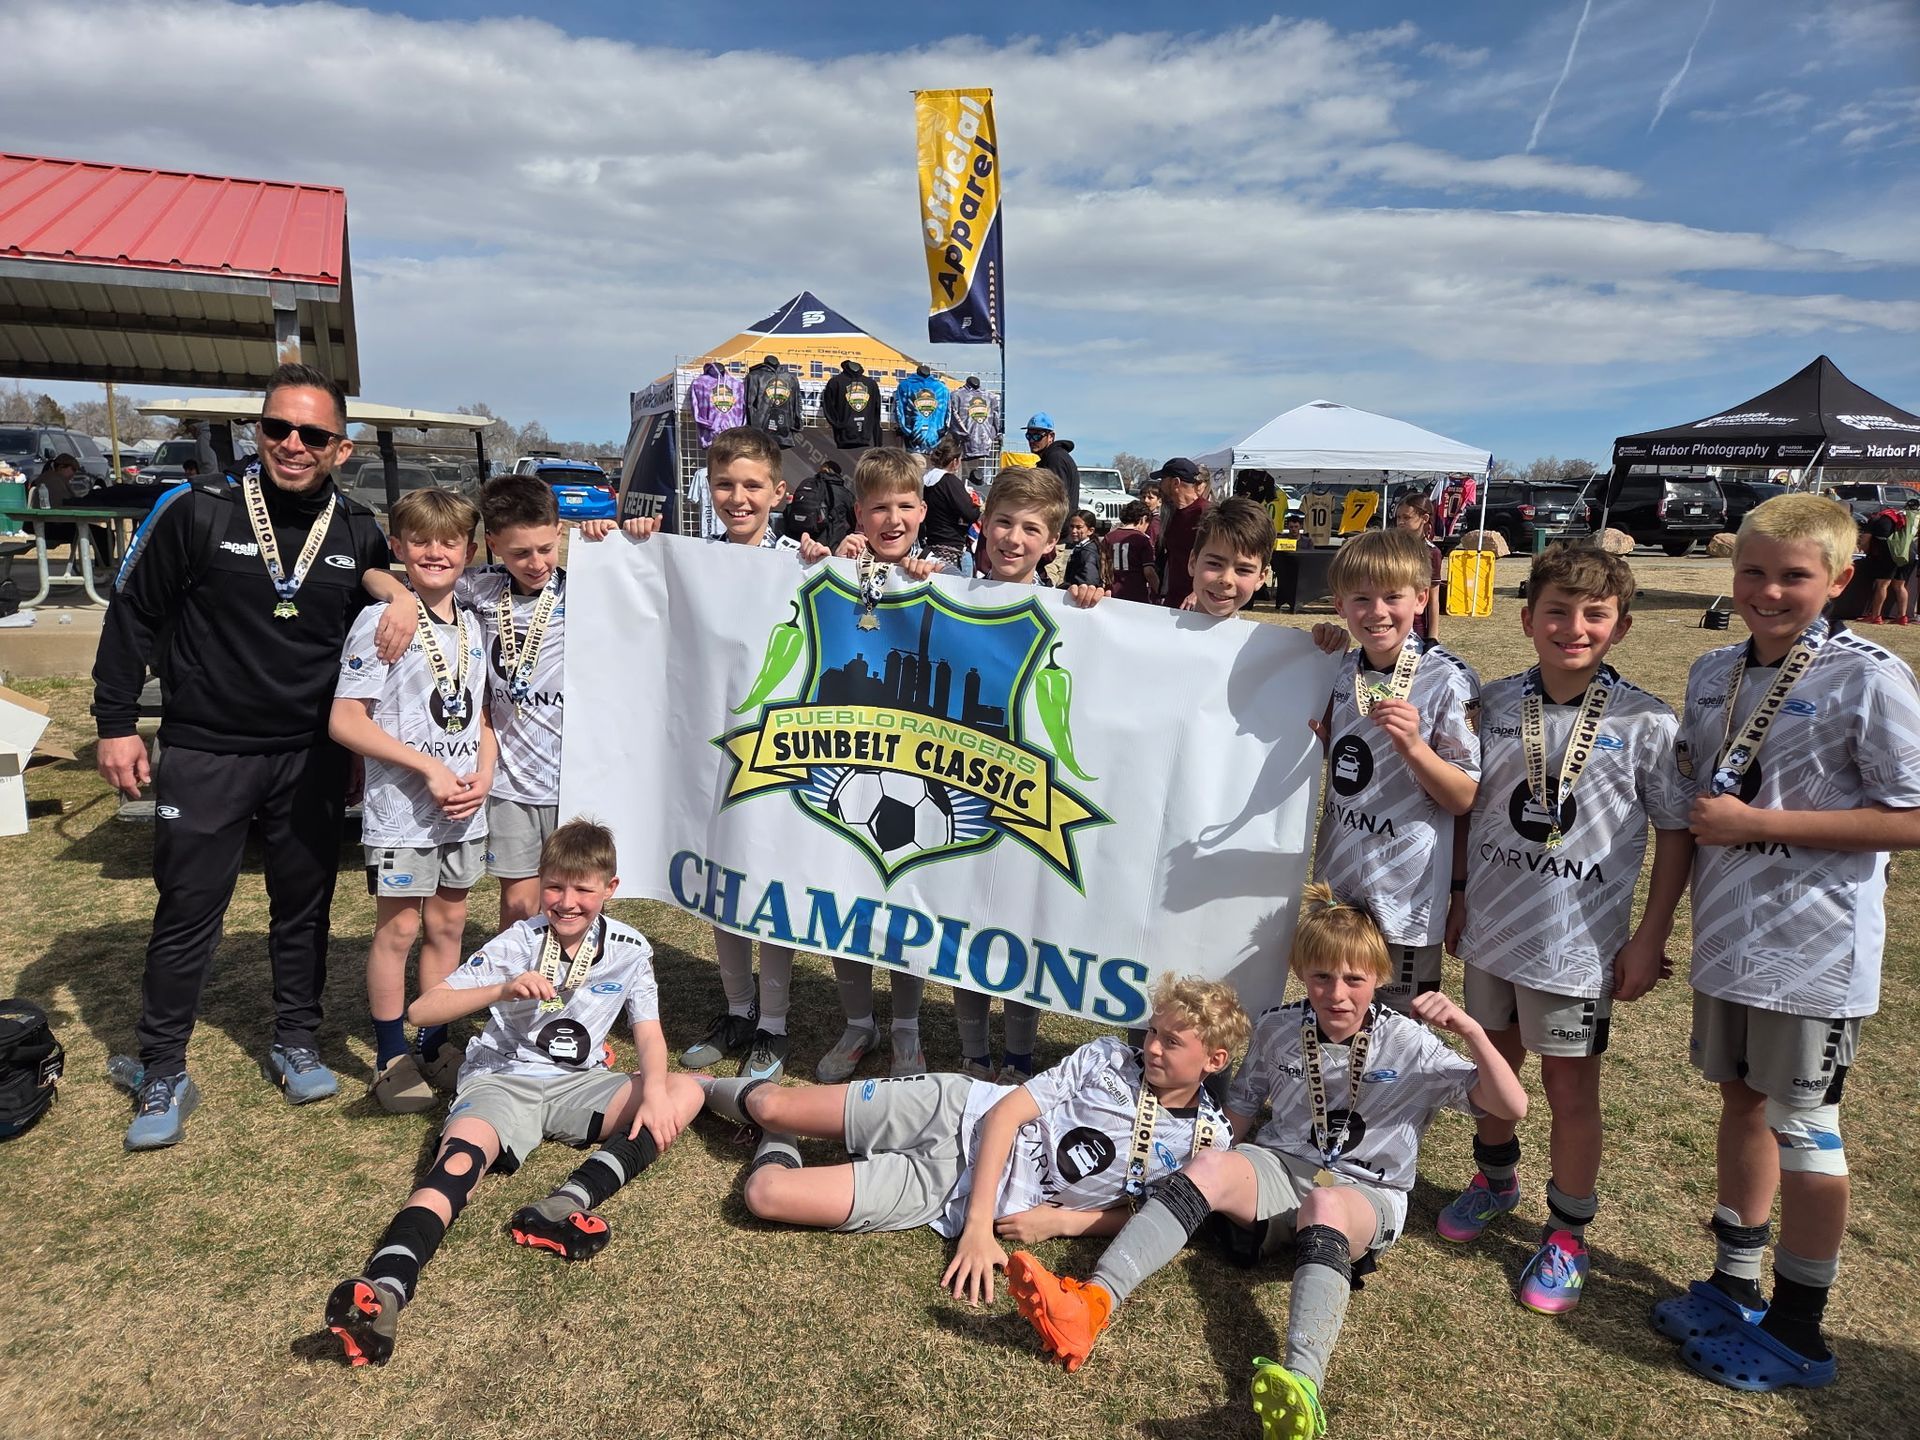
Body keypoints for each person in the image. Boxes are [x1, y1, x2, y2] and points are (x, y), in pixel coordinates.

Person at [1006, 884, 1527, 1439]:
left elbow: (1512, 1106)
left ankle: (1302, 1385)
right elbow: (1238, 1116)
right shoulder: (1279, 1028)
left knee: (1326, 1205)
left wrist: (1472, 1031)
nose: (1337, 994)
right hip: (1279, 1168)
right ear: (1301, 974)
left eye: (1354, 979)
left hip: (1364, 1192)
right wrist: (1189, 1177)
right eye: (1322, 977)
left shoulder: (1409, 1043)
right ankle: (1091, 1304)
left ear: (1378, 977)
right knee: (1211, 1165)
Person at [1651, 495, 1920, 1393]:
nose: (1769, 592)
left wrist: (1761, 823)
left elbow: (1912, 815)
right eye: (1753, 572)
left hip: (1814, 953)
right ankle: (1735, 1280)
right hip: (1729, 939)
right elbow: (1693, 803)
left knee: (1806, 1129)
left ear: (1840, 580)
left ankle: (1800, 1328)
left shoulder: (1869, 677)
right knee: (1742, 1104)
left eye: (1794, 576)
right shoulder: (1713, 669)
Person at [93, 363, 392, 1149]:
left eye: (313, 434)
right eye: (276, 427)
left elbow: (376, 638)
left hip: (309, 755)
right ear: (257, 431)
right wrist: (116, 724)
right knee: (188, 912)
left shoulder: (358, 529)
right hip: (206, 750)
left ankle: (296, 1038)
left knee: (304, 908)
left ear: (341, 448)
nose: (292, 444)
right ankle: (163, 1066)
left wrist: (363, 743)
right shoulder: (196, 508)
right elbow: (131, 615)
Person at [323, 820, 704, 1367]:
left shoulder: (630, 948)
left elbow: (648, 1032)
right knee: (458, 1162)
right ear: (541, 882)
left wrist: (656, 1095)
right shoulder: (518, 940)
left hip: (577, 1083)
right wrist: (501, 988)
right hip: (501, 1078)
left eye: (583, 889)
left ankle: (563, 1206)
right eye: (554, 887)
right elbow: (421, 1011)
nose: (567, 902)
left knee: (681, 1093)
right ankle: (386, 1287)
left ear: (611, 888)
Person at [1439, 544, 1691, 1314]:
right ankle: (1495, 1180)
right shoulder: (1493, 703)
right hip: (1492, 927)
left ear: (1620, 627)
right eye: (1557, 611)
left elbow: (1676, 831)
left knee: (1570, 1087)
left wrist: (1650, 936)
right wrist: (1458, 892)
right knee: (1492, 1066)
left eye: (1594, 615)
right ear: (1527, 620)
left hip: (1577, 945)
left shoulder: (1647, 721)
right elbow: (1467, 805)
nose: (1573, 627)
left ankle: (1569, 1232)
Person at [697, 974, 1247, 1300]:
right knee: (771, 1101)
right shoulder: (1107, 1056)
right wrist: (979, 1230)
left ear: (1215, 1061)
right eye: (1153, 1032)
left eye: (1171, 1043)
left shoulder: (1209, 1144)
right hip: (953, 1109)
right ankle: (692, 1090)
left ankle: (776, 1136)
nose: (1152, 1047)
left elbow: (1150, 1216)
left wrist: (1061, 1222)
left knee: (766, 1195)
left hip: (946, 1190)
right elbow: (1006, 1114)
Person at [656, 428, 814, 1084]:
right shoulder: (692, 558)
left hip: (778, 748)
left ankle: (773, 1024)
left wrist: (836, 559)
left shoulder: (802, 559)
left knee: (766, 886)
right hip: (711, 748)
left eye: (752, 486)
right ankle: (737, 1011)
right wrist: (625, 542)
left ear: (779, 492)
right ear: (708, 488)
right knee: (721, 885)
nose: (738, 498)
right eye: (725, 485)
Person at [331, 488, 496, 1112]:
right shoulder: (383, 619)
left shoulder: (474, 624)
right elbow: (345, 720)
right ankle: (390, 1056)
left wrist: (484, 774)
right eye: (420, 541)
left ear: (469, 552)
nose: (435, 552)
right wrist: (426, 767)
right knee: (399, 929)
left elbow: (481, 716)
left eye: (449, 542)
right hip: (402, 812)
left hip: (462, 809)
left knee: (448, 925)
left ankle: (434, 1042)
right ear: (398, 547)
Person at [946, 469, 1106, 1080]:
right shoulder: (950, 591)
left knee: (1020, 929)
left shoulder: (1072, 611)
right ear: (983, 525)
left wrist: (1092, 607)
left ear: (1053, 542)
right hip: (956, 786)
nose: (1013, 539)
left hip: (1026, 791)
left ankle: (1018, 1055)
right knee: (962, 925)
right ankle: (972, 1052)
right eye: (1004, 523)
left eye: (1031, 529)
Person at [373, 475, 568, 932]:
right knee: (520, 905)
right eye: (519, 553)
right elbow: (376, 574)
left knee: (575, 895)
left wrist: (620, 533)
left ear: (560, 532)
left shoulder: (585, 590)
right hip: (510, 782)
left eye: (546, 548)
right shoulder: (477, 587)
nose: (536, 563)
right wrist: (399, 595)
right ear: (493, 546)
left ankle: (574, 977)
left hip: (576, 778)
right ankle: (520, 977)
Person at [1307, 528, 1479, 1013]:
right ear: (1340, 605)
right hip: (1338, 883)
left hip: (1406, 895)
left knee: (1398, 1032)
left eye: (1392, 597)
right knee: (1334, 1015)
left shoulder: (1448, 679)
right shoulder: (1338, 668)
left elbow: (1464, 796)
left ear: (1421, 598)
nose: (1377, 611)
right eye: (1361, 599)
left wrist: (1414, 747)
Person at [1185, 497, 1272, 619]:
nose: (1226, 579)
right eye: (1215, 564)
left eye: (1243, 570)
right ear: (1193, 562)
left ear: (1260, 578)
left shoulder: (1263, 634)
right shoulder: (1159, 628)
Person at [918, 435, 979, 573]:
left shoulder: (925, 481)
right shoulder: (950, 482)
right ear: (955, 461)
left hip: (930, 547)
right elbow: (970, 513)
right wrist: (979, 508)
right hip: (951, 549)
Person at [1152, 457, 1206, 609]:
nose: (1160, 485)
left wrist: (1198, 593)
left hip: (1198, 604)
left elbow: (1221, 559)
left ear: (1175, 482)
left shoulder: (1207, 513)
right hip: (1173, 601)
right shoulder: (1172, 514)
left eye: (1162, 480)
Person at [1393, 494, 1444, 644]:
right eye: (1398, 517)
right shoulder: (1389, 548)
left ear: (1424, 518)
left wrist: (1433, 637)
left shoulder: (1432, 553)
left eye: (1406, 517)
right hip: (1389, 621)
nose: (1401, 522)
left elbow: (1433, 599)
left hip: (1416, 628)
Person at [1859, 497, 1915, 624]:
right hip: (1908, 552)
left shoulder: (1875, 519)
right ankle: (1902, 617)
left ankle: (1875, 616)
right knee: (1900, 585)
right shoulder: (1903, 518)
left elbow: (1865, 540)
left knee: (1882, 584)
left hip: (1889, 552)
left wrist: (1865, 551)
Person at [1023, 412, 1081, 521]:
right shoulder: (1051, 457)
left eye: (1037, 436)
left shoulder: (1055, 459)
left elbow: (1056, 499)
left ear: (1051, 436)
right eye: (1028, 436)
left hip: (1058, 526)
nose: (1031, 440)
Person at [1101, 500, 1158, 604]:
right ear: (1143, 519)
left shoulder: (1109, 537)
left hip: (1113, 593)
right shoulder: (1143, 540)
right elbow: (1148, 571)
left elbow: (1103, 565)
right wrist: (1158, 590)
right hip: (1136, 595)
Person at [1058, 509, 1101, 589]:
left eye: (1079, 527)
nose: (1073, 531)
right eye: (1072, 526)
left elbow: (1088, 582)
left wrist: (1066, 587)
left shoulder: (1088, 553)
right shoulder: (1080, 548)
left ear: (1090, 531)